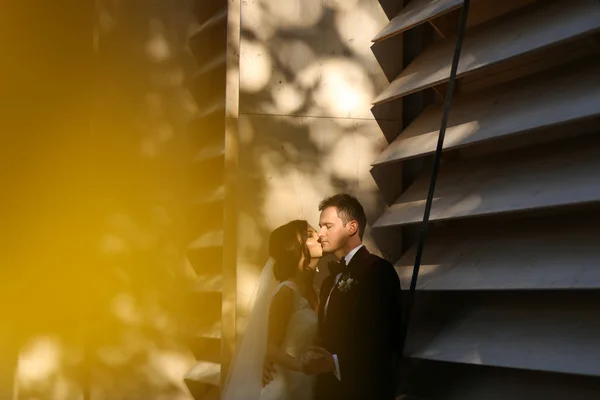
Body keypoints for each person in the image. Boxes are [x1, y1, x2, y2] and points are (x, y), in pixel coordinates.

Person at [303, 193, 403, 399]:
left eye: (327, 226)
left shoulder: (377, 271)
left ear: (352, 227)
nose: (321, 233)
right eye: (320, 226)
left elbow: (385, 339)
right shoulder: (328, 282)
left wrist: (336, 362)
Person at [222, 220, 323, 400]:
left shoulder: (315, 292)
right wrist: (303, 366)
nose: (320, 237)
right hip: (284, 390)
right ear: (290, 246)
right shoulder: (286, 291)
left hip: (308, 387)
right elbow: (271, 349)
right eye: (309, 235)